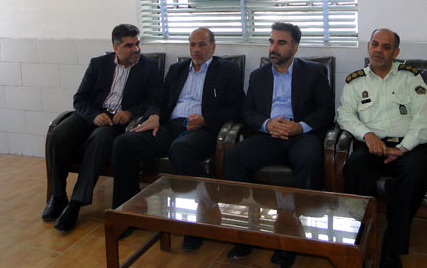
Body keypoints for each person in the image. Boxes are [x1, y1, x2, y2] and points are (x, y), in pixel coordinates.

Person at [111, 27, 244, 246]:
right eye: (192, 45)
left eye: (202, 44)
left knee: (181, 148)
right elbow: (158, 100)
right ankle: (128, 212)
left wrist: (206, 119)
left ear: (213, 47)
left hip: (203, 131)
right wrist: (154, 115)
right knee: (124, 143)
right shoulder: (177, 69)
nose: (196, 50)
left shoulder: (226, 70)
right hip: (170, 126)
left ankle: (196, 224)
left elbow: (238, 107)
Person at [224, 22, 334, 268]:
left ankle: (292, 240)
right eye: (271, 41)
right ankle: (245, 233)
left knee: (310, 159)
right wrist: (266, 124)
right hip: (269, 135)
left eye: (281, 43)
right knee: (234, 157)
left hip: (301, 135)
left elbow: (326, 110)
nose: (273, 48)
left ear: (294, 47)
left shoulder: (314, 72)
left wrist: (300, 127)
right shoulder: (258, 76)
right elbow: (247, 110)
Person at [42, 24, 163, 232]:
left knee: (99, 139)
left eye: (137, 44)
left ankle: (76, 204)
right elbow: (80, 99)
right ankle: (59, 196)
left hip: (118, 121)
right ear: (116, 47)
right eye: (129, 45)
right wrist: (93, 115)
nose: (136, 49)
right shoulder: (98, 64)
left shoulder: (149, 67)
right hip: (92, 114)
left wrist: (130, 112)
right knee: (57, 135)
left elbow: (154, 100)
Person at [337, 28, 427, 268]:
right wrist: (368, 135)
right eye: (375, 44)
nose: (378, 50)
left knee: (413, 174)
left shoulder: (410, 77)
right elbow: (344, 115)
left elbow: (425, 118)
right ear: (368, 47)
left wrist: (403, 147)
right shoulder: (355, 81)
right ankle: (360, 240)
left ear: (396, 52)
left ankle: (391, 250)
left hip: (409, 147)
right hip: (373, 144)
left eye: (386, 47)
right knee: (354, 168)